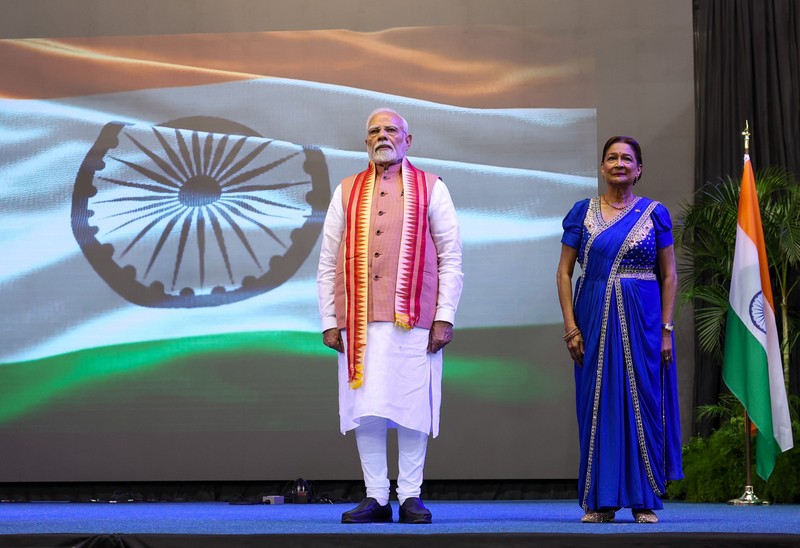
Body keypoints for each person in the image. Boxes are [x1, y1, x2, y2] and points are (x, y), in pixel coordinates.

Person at [316, 108, 463, 524]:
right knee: (368, 408)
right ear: (366, 142)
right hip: (358, 322)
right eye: (375, 131)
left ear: (408, 140)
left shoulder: (432, 188)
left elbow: (451, 256)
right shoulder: (346, 190)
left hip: (415, 320)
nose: (383, 136)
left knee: (413, 407)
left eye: (391, 130)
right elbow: (328, 261)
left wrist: (445, 316)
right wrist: (330, 319)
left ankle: (411, 496)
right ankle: (377, 497)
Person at [556, 136, 683, 524]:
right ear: (601, 166)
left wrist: (665, 329)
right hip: (593, 314)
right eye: (611, 157)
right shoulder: (583, 211)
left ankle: (644, 499)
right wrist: (571, 327)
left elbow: (670, 274)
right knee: (598, 404)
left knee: (643, 402)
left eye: (627, 159)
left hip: (644, 319)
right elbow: (563, 272)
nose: (619, 164)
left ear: (639, 169)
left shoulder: (655, 213)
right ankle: (601, 500)